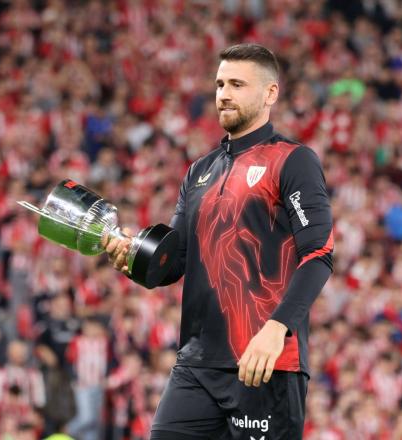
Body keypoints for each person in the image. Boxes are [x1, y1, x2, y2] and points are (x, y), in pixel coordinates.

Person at [104, 43, 334, 439]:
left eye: (237, 84)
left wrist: (276, 328)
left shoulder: (293, 160)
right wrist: (134, 255)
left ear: (270, 93)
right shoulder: (199, 172)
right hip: (196, 364)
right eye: (220, 83)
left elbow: (318, 255)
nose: (224, 94)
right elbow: (173, 263)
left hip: (263, 362)